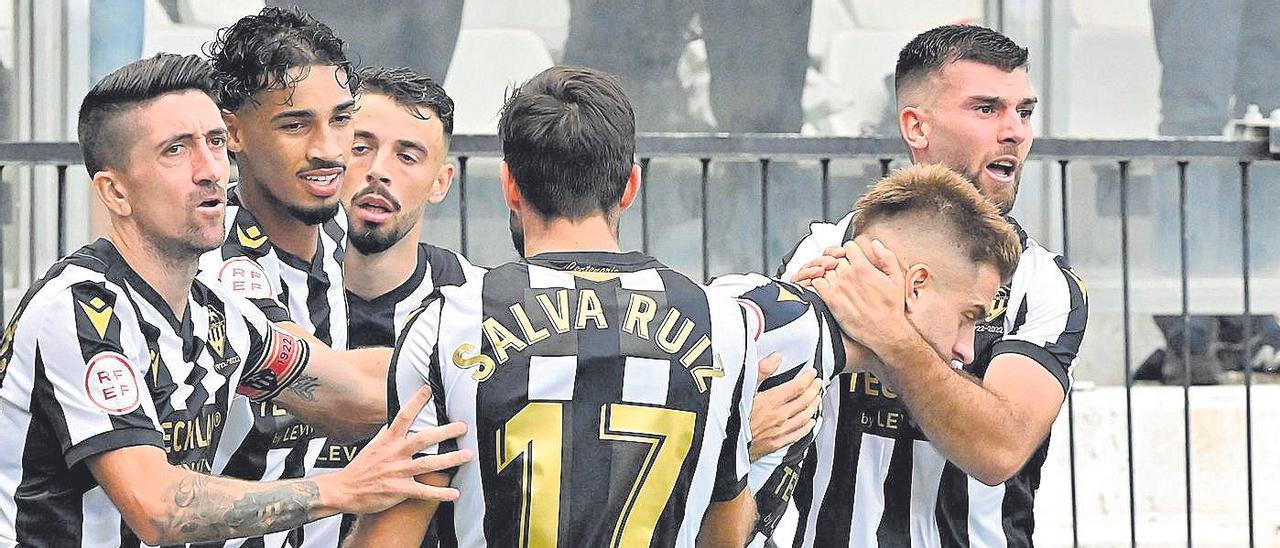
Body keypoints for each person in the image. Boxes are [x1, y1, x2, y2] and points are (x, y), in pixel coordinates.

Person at [345, 65, 1022, 547]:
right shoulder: (727, 325)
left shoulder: (448, 321)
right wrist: (723, 450)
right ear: (632, 185)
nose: (967, 348)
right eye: (969, 316)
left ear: (509, 186)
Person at [0, 53, 470, 547]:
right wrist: (343, 489)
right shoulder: (80, 308)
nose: (209, 169)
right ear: (115, 192)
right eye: (175, 150)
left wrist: (483, 361)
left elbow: (343, 388)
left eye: (215, 142)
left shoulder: (216, 312)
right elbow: (158, 508)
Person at [782, 25, 1088, 547]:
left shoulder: (1046, 287)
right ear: (916, 128)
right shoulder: (821, 254)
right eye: (987, 109)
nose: (1014, 131)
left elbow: (999, 450)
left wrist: (891, 338)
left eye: (1024, 111)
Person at [198, 7, 367, 547]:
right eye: (296, 124)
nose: (328, 150)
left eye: (341, 119)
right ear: (233, 133)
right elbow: (349, 400)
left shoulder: (340, 224)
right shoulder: (211, 261)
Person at [339, 65, 484, 542]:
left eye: (408, 156)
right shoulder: (272, 286)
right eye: (361, 147)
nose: (379, 170)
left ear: (440, 183)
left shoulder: (475, 306)